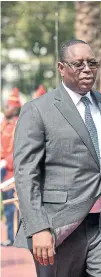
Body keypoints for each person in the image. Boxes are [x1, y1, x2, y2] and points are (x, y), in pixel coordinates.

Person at [13, 39, 101, 277]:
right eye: (78, 64)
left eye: (92, 63)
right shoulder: (38, 110)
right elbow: (27, 174)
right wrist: (38, 227)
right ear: (61, 68)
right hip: (59, 228)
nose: (87, 69)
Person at [0, 87, 21, 247]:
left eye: (8, 106)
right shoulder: (4, 124)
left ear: (14, 108)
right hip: (3, 168)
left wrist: (6, 162)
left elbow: (18, 150)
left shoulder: (17, 125)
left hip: (12, 171)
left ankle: (18, 238)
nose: (6, 108)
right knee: (7, 205)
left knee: (15, 206)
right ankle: (10, 237)